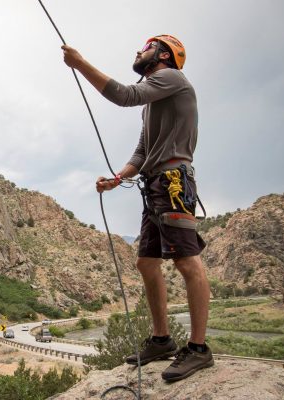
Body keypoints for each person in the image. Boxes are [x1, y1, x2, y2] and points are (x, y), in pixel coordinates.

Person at [62, 35, 213, 382]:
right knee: (146, 262)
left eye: (145, 47)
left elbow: (123, 95)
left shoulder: (173, 78)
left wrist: (80, 63)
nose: (137, 51)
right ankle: (162, 340)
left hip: (174, 182)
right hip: (156, 185)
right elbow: (142, 151)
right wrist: (118, 178)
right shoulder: (153, 101)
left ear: (163, 55)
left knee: (187, 261)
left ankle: (199, 349)